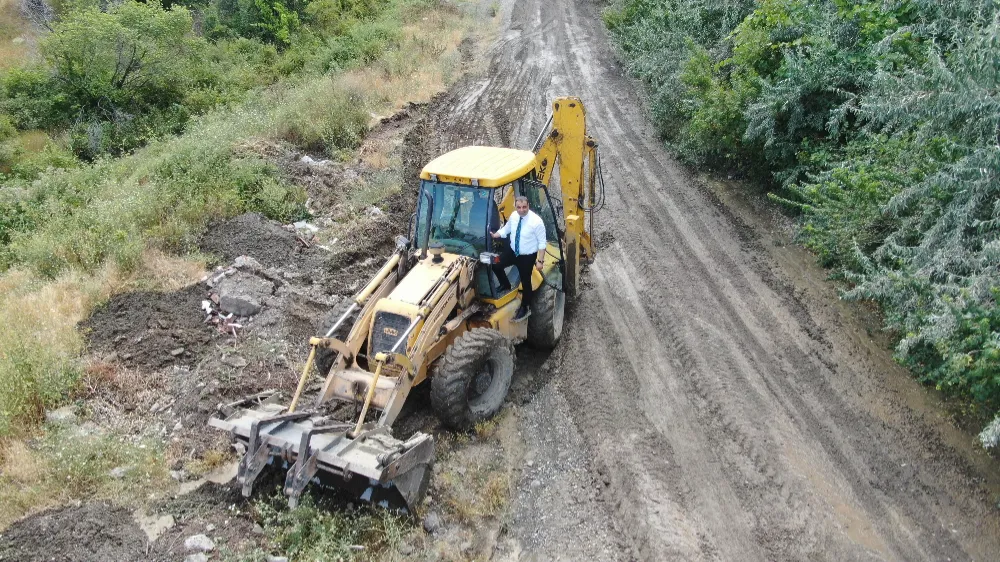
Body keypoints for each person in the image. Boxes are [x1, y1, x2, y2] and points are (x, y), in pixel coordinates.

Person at [491, 195, 547, 320]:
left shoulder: (536, 222)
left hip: (527, 257)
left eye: (524, 207)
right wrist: (496, 235)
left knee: (526, 282)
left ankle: (525, 306)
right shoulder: (514, 216)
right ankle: (505, 285)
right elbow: (507, 228)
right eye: (519, 207)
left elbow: (542, 243)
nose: (521, 210)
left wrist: (540, 261)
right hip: (512, 251)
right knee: (496, 265)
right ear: (515, 206)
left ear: (528, 206)